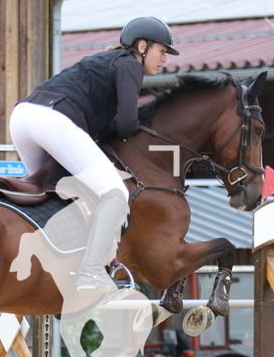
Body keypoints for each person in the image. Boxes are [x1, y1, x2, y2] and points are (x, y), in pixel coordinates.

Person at [9, 16, 177, 294]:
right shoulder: (128, 64)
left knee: (53, 194)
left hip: (23, 117)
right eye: (162, 51)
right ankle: (89, 272)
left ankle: (51, 267)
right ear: (143, 46)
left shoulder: (107, 63)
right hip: (52, 119)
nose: (165, 60)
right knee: (115, 194)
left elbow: (107, 124)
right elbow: (125, 125)